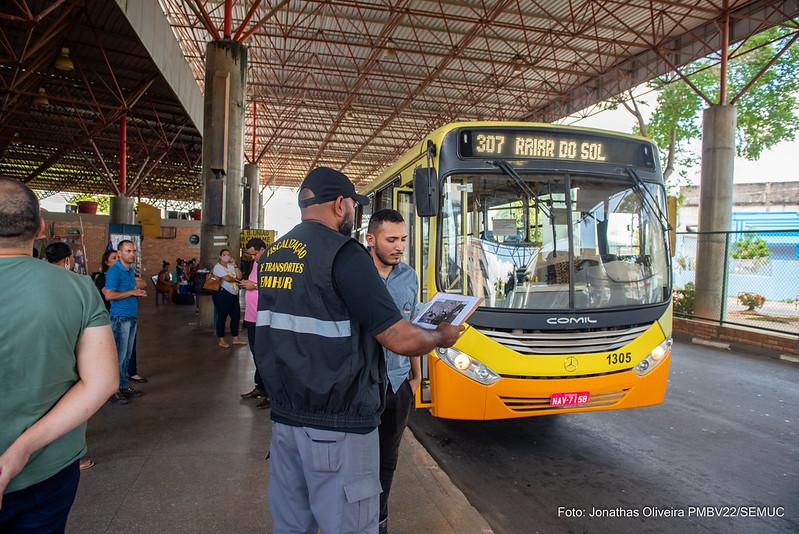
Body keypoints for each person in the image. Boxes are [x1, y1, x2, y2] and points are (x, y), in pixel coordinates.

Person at [254, 167, 463, 534]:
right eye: (353, 204)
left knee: (292, 526)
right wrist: (440, 337)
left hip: (287, 421)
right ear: (340, 204)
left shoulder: (274, 255)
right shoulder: (344, 254)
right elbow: (397, 337)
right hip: (339, 425)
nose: (353, 211)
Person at [0, 177, 118, 531]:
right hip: (44, 466)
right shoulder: (79, 289)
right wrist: (21, 449)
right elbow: (102, 382)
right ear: (40, 228)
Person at [365, 209, 422, 534]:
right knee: (359, 460)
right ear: (371, 239)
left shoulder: (409, 277)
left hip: (398, 383)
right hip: (363, 383)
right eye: (391, 240)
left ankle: (379, 522)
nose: (399, 246)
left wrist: (415, 378)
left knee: (388, 458)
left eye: (402, 239)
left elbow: (411, 326)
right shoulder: (355, 274)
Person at [103, 240, 147, 404]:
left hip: (131, 317)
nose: (132, 254)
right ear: (119, 253)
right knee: (118, 357)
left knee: (126, 356)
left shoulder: (129, 271)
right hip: (120, 318)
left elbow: (134, 287)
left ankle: (122, 385)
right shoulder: (115, 271)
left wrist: (137, 292)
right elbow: (109, 295)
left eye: (133, 251)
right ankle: (112, 391)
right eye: (128, 251)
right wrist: (131, 292)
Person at [238, 238, 270, 408]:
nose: (253, 257)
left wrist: (254, 286)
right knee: (256, 354)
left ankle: (271, 392)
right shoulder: (255, 264)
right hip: (251, 317)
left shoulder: (271, 263)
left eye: (255, 253)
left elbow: (275, 285)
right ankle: (260, 387)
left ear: (263, 249)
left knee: (266, 355)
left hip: (263, 318)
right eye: (251, 254)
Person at [212, 248, 245, 348]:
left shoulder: (231, 266)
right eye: (224, 254)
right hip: (222, 295)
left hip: (234, 294)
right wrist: (237, 280)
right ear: (220, 256)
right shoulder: (217, 267)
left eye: (228, 255)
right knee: (222, 317)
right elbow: (228, 279)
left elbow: (239, 276)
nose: (227, 256)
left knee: (235, 316)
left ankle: (235, 338)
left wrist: (235, 265)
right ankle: (221, 340)